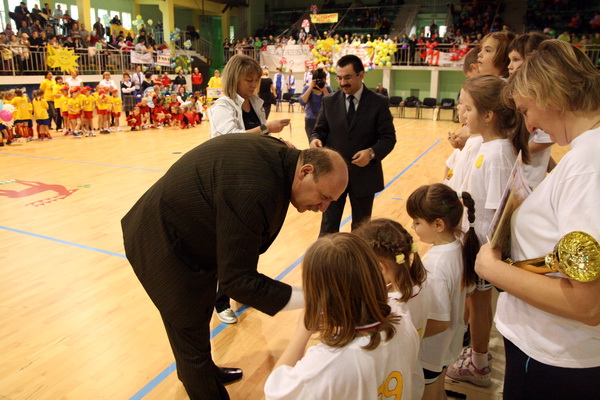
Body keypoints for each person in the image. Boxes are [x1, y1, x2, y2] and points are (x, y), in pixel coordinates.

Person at [122, 134, 349, 399]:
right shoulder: (255, 189)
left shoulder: (284, 158)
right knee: (189, 330)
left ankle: (202, 372)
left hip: (194, 235)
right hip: (161, 241)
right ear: (305, 171)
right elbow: (238, 282)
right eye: (323, 196)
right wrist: (311, 297)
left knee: (199, 316)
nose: (324, 208)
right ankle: (198, 378)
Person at [475, 39, 600, 400]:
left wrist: (492, 268)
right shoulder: (585, 155)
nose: (529, 125)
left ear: (549, 95)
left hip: (556, 354)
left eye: (526, 110)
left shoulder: (586, 166)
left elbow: (588, 304)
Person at [446, 75, 529, 387]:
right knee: (471, 302)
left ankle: (479, 364)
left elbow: (498, 215)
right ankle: (470, 352)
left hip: (482, 244)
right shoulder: (485, 146)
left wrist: (488, 254)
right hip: (472, 239)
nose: (463, 114)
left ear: (489, 115)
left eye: (468, 108)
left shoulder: (497, 155)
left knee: (479, 305)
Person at [264, 233, 419, 400]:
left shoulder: (327, 363)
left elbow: (275, 393)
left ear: (320, 296)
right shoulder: (403, 320)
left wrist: (302, 331)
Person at [310, 54, 396, 235]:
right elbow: (319, 131)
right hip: (333, 175)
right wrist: (315, 140)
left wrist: (371, 153)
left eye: (347, 77)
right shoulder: (329, 101)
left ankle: (358, 255)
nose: (342, 83)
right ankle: (324, 255)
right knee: (328, 228)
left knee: (361, 230)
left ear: (361, 75)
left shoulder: (378, 102)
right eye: (339, 78)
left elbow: (388, 138)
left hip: (364, 176)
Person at [407, 183, 479, 400]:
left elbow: (439, 321)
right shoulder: (459, 247)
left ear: (438, 224)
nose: (412, 226)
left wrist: (409, 336)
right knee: (438, 389)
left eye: (417, 222)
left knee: (428, 393)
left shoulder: (435, 267)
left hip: (431, 350)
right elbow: (468, 295)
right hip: (449, 344)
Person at [354, 218, 431, 399]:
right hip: (411, 372)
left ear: (380, 267)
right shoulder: (419, 283)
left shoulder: (388, 308)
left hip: (390, 380)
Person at [507, 32, 554, 189]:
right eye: (509, 60)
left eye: (516, 60)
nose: (510, 66)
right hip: (517, 173)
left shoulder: (542, 100)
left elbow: (546, 139)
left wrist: (512, 149)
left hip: (529, 177)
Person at [208, 54, 290, 138]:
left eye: (257, 80)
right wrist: (266, 128)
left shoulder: (256, 103)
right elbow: (229, 138)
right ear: (234, 80)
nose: (254, 85)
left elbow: (262, 135)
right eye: (249, 80)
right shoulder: (222, 106)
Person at [298, 68, 332, 143]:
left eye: (322, 80)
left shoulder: (328, 88)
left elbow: (331, 104)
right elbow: (302, 102)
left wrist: (324, 90)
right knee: (313, 143)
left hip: (324, 120)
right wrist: (310, 88)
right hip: (310, 119)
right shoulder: (307, 87)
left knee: (325, 143)